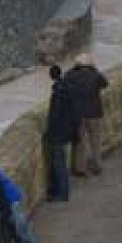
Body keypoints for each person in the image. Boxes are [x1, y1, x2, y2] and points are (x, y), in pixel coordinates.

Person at [65, 54, 109, 176]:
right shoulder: (95, 75)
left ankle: (80, 168)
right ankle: (96, 165)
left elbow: (65, 82)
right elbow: (105, 83)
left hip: (78, 113)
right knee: (95, 140)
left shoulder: (71, 75)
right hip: (94, 113)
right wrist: (94, 69)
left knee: (80, 142)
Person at [43, 64, 80, 202]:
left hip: (58, 133)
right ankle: (60, 192)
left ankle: (62, 194)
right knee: (60, 162)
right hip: (67, 131)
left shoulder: (58, 92)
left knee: (59, 164)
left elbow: (55, 115)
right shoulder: (68, 88)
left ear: (52, 76)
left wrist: (50, 132)